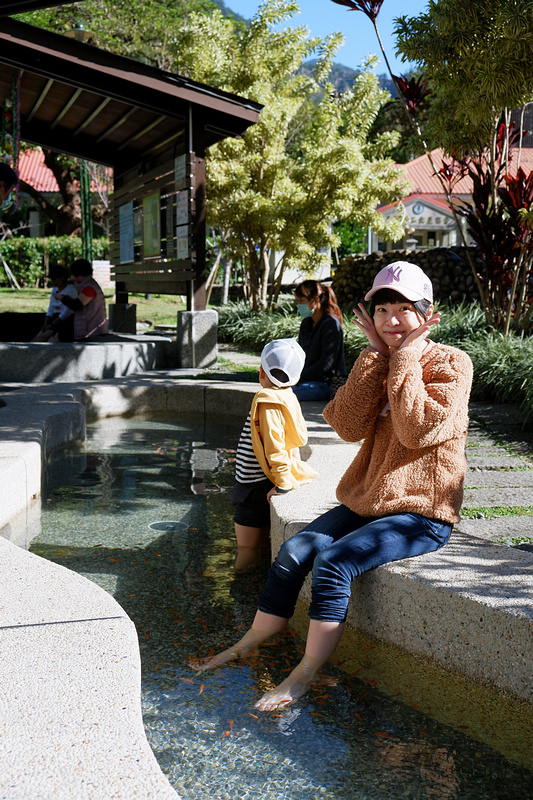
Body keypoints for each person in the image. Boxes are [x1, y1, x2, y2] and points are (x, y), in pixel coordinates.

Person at [192, 261, 473, 711]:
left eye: (404, 309)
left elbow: (418, 430)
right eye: (382, 309)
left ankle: (305, 671)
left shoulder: (452, 364)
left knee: (334, 562)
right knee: (296, 548)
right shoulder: (378, 358)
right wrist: (375, 358)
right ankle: (255, 637)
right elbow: (344, 425)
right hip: (369, 501)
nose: (392, 320)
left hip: (422, 512)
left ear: (428, 312)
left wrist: (402, 358)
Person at [230, 338, 317, 573]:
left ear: (261, 371)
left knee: (246, 548)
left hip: (251, 487)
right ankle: (254, 576)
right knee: (262, 544)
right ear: (296, 379)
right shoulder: (286, 397)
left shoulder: (267, 401)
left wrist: (282, 484)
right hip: (261, 481)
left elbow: (274, 446)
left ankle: (240, 583)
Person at [293, 279, 346, 401]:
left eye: (301, 301)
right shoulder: (306, 324)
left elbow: (326, 364)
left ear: (316, 300)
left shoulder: (331, 325)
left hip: (325, 384)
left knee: (286, 394)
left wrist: (299, 377)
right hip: (307, 381)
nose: (299, 306)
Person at [58, 258, 108, 340]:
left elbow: (77, 305)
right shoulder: (88, 285)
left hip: (92, 330)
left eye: (75, 275)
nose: (74, 278)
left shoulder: (89, 288)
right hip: (89, 329)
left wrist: (62, 298)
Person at [31, 265, 78, 342]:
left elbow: (67, 312)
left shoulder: (70, 290)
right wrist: (46, 323)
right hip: (54, 319)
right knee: (36, 339)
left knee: (48, 340)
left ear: (62, 278)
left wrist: (52, 324)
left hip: (65, 322)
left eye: (55, 279)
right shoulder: (54, 290)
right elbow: (51, 308)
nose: (53, 281)